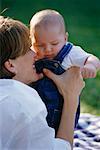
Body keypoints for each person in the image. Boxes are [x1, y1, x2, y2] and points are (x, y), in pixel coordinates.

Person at [0, 16, 85, 150]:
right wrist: (71, 97)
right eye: (28, 48)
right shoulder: (22, 103)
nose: (35, 54)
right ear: (10, 65)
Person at [29, 9, 100, 132]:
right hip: (37, 108)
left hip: (62, 111)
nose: (47, 49)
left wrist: (90, 66)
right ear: (32, 40)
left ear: (65, 38)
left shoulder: (70, 53)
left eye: (54, 43)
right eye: (40, 45)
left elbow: (91, 58)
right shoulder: (32, 54)